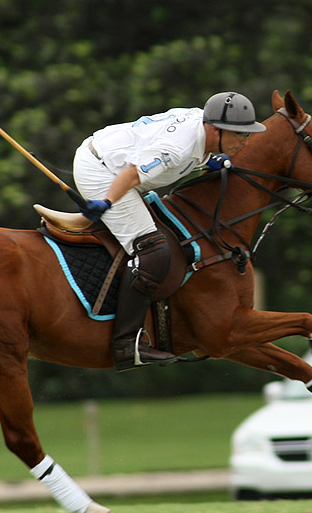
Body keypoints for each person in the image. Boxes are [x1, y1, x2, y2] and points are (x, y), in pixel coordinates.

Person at [72, 92, 267, 371]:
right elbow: (133, 174)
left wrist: (208, 161)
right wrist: (106, 202)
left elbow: (187, 155)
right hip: (104, 172)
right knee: (153, 249)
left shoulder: (203, 127)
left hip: (112, 154)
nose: (245, 140)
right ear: (214, 129)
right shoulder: (176, 148)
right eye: (239, 134)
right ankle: (126, 345)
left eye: (247, 134)